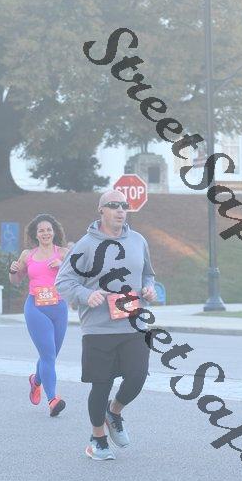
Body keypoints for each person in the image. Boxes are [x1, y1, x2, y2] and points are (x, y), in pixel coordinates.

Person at [56, 190, 156, 460]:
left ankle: (114, 412)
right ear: (101, 210)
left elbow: (148, 274)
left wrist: (148, 288)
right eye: (113, 205)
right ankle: (97, 439)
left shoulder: (138, 241)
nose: (120, 210)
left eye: (124, 205)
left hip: (134, 323)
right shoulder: (86, 245)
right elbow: (63, 281)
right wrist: (86, 295)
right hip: (98, 328)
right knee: (101, 384)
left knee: (137, 376)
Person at [9, 214, 69, 417]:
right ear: (35, 234)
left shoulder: (64, 253)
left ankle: (36, 381)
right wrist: (13, 270)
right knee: (48, 355)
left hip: (59, 308)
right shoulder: (27, 255)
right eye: (41, 230)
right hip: (36, 308)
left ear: (54, 232)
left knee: (50, 355)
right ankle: (53, 400)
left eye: (48, 230)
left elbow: (79, 275)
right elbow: (15, 281)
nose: (45, 233)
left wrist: (63, 265)